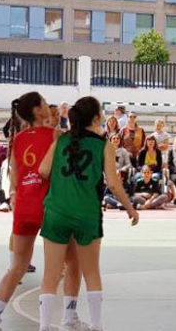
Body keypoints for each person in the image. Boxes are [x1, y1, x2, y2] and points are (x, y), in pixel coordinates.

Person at [0, 92, 86, 331]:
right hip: (51, 206)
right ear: (39, 111)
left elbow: (15, 178)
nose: (47, 106)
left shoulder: (17, 139)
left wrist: (17, 198)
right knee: (72, 263)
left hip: (25, 207)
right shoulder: (57, 136)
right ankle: (68, 318)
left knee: (16, 268)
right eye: (43, 102)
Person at [38, 96, 138, 331]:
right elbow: (113, 184)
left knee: (52, 274)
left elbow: (43, 170)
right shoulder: (104, 145)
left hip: (56, 212)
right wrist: (130, 208)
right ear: (95, 119)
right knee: (91, 272)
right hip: (87, 214)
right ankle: (96, 325)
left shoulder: (61, 140)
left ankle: (45, 325)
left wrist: (64, 184)